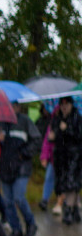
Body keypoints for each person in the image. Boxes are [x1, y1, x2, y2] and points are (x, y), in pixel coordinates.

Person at [0, 102, 41, 236]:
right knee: (8, 201)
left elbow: (36, 140)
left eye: (13, 105)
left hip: (21, 167)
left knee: (18, 198)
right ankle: (15, 229)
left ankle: (31, 223)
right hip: (5, 167)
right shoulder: (0, 123)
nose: (11, 108)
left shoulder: (25, 121)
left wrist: (23, 154)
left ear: (18, 107)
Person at [48, 96, 82, 224]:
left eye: (66, 104)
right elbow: (53, 137)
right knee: (62, 184)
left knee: (71, 184)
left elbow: (79, 136)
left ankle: (68, 210)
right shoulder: (57, 118)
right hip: (61, 158)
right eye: (62, 104)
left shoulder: (77, 118)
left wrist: (67, 129)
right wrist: (53, 136)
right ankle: (74, 211)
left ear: (71, 105)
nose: (64, 107)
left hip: (74, 157)